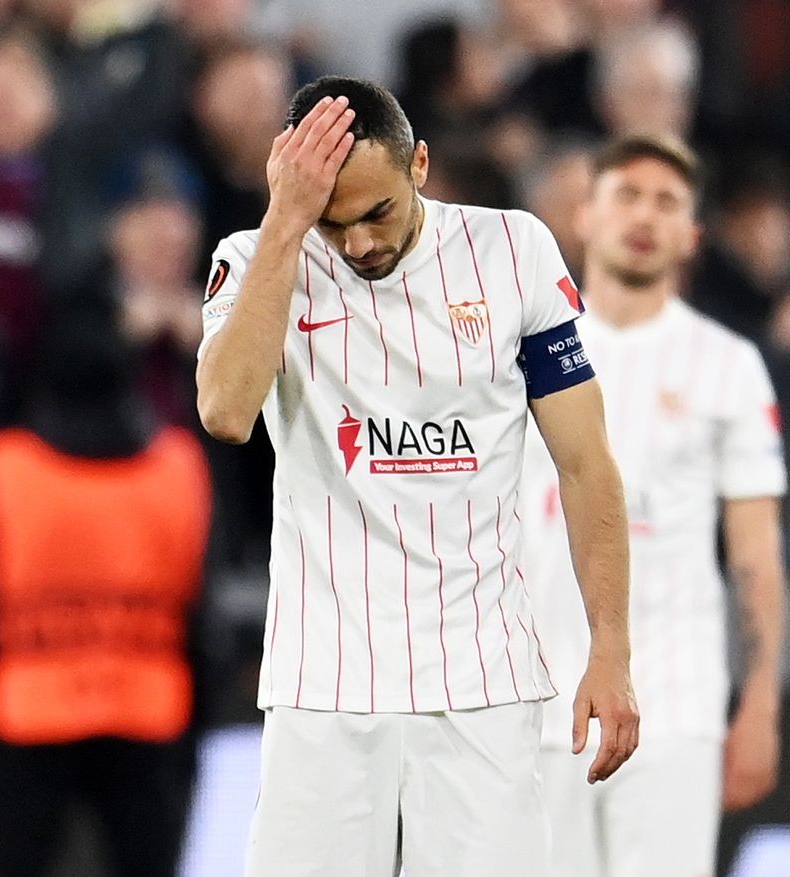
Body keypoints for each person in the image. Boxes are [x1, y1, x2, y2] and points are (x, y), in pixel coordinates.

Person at [194, 77, 638, 876]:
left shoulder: (515, 252)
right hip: (322, 681)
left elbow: (585, 461)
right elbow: (226, 410)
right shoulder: (254, 258)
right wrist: (288, 225)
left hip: (482, 680)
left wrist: (611, 647)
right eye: (336, 223)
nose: (360, 243)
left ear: (421, 165)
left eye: (378, 213)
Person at [523, 134, 787, 877]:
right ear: (584, 215)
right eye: (627, 195)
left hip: (675, 705)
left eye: (667, 201)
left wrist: (760, 702)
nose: (645, 215)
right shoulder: (520, 353)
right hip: (535, 706)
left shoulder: (727, 366)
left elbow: (756, 552)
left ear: (692, 235)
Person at [0, 315, 210, 877]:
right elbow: (201, 612)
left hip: (25, 711)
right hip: (151, 710)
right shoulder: (179, 466)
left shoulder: (1, 467)